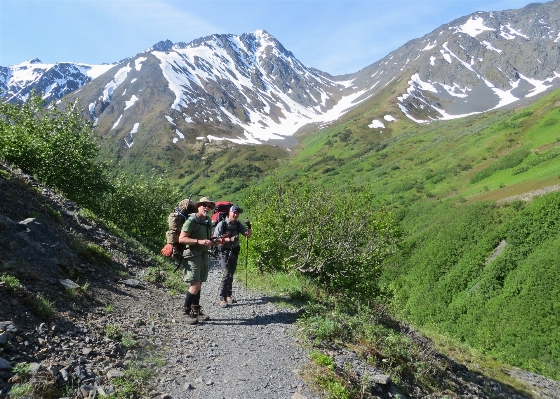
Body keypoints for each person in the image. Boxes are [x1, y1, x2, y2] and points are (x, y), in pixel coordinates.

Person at [178, 196, 219, 324]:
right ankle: (185, 311)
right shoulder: (191, 220)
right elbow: (182, 239)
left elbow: (208, 239)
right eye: (204, 205)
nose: (207, 208)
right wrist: (199, 241)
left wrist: (214, 242)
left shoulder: (207, 221)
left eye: (209, 206)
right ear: (198, 206)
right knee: (195, 284)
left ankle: (195, 310)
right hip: (192, 255)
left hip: (203, 255)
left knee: (199, 283)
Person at [215, 205, 252, 308]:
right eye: (234, 212)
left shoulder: (238, 224)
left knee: (231, 274)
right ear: (229, 212)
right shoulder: (221, 224)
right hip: (223, 252)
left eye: (237, 213)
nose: (236, 215)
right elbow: (215, 240)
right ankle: (222, 298)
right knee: (226, 274)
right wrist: (229, 240)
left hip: (234, 252)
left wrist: (249, 227)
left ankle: (229, 295)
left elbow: (248, 235)